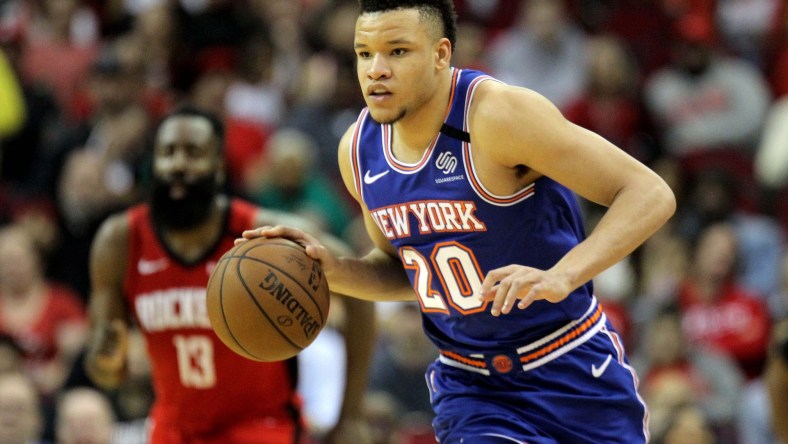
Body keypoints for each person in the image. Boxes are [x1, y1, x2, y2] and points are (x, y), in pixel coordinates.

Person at [239, 1, 676, 443]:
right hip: (473, 389)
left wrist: (563, 275)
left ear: (441, 54)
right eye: (364, 53)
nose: (376, 69)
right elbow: (406, 271)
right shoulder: (358, 152)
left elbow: (649, 194)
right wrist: (334, 271)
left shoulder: (497, 116)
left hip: (572, 367)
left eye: (397, 51)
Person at [84, 105, 376, 444]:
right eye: (168, 152)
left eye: (193, 152)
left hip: (261, 426)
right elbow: (106, 372)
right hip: (173, 427)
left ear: (219, 168)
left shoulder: (266, 236)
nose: (178, 163)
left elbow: (361, 292)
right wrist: (106, 359)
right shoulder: (120, 241)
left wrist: (350, 416)